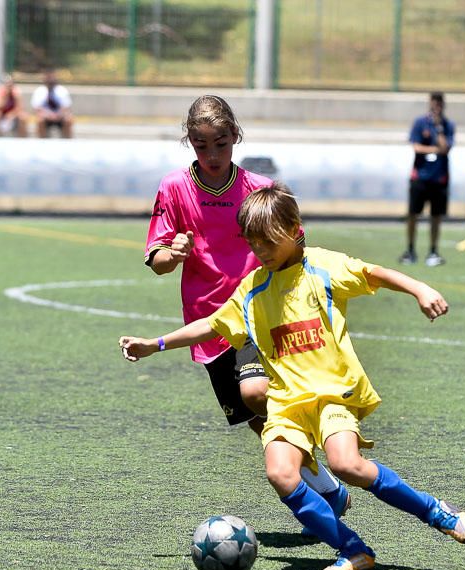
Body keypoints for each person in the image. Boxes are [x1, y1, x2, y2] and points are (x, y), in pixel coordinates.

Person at [120, 183, 465, 570]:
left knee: (347, 464)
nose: (262, 251)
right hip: (288, 404)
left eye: (269, 241)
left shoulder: (323, 268)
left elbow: (373, 273)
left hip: (331, 396)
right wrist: (156, 344)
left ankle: (436, 513)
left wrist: (419, 289)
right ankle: (353, 550)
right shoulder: (253, 289)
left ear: (294, 229)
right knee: (281, 473)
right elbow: (211, 324)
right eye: (254, 244)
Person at [144, 95, 350, 532]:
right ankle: (325, 483)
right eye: (201, 146)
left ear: (235, 137)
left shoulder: (261, 189)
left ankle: (322, 449)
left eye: (220, 143)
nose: (212, 155)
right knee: (254, 417)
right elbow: (157, 257)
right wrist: (172, 253)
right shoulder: (174, 188)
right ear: (189, 143)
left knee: (257, 392)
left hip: (261, 312)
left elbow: (296, 247)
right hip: (208, 320)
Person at [399, 92, 455, 267]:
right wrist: (435, 149)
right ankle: (410, 249)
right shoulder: (420, 123)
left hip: (439, 178)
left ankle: (433, 250)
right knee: (413, 215)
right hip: (420, 177)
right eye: (434, 104)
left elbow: (446, 148)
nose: (436, 107)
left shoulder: (447, 125)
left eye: (439, 104)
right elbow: (416, 147)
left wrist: (439, 130)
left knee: (436, 217)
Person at [30, 69, 73, 138]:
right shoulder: (39, 91)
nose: (50, 81)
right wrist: (48, 114)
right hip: (45, 117)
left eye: (52, 79)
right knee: (39, 120)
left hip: (60, 117)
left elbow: (66, 107)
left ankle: (67, 142)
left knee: (68, 120)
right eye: (48, 79)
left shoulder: (62, 90)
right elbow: (37, 108)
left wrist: (58, 115)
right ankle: (41, 142)